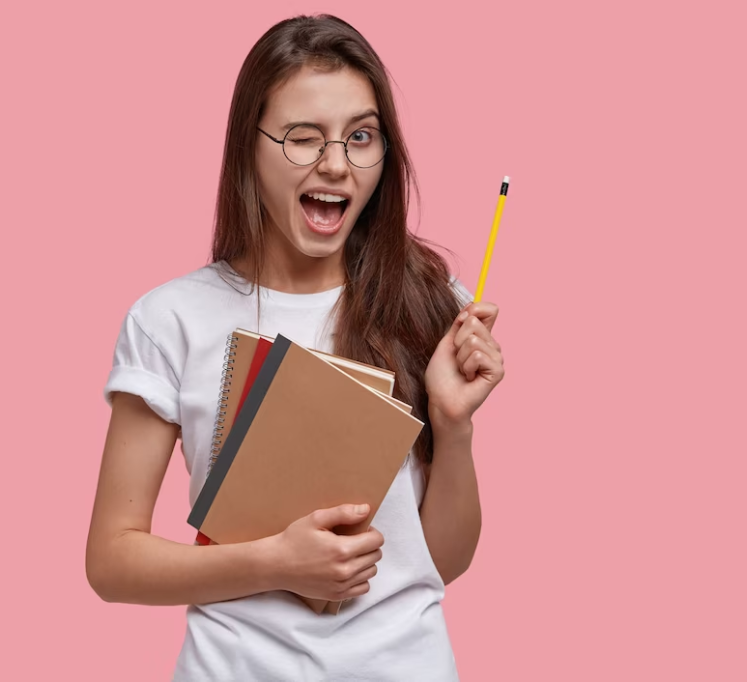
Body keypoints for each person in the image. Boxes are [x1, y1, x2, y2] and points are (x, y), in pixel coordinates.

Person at [86, 13, 505, 682]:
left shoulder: (428, 299)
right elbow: (111, 561)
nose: (336, 164)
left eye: (361, 137)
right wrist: (275, 563)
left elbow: (441, 564)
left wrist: (454, 428)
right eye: (303, 139)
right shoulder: (171, 319)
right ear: (248, 147)